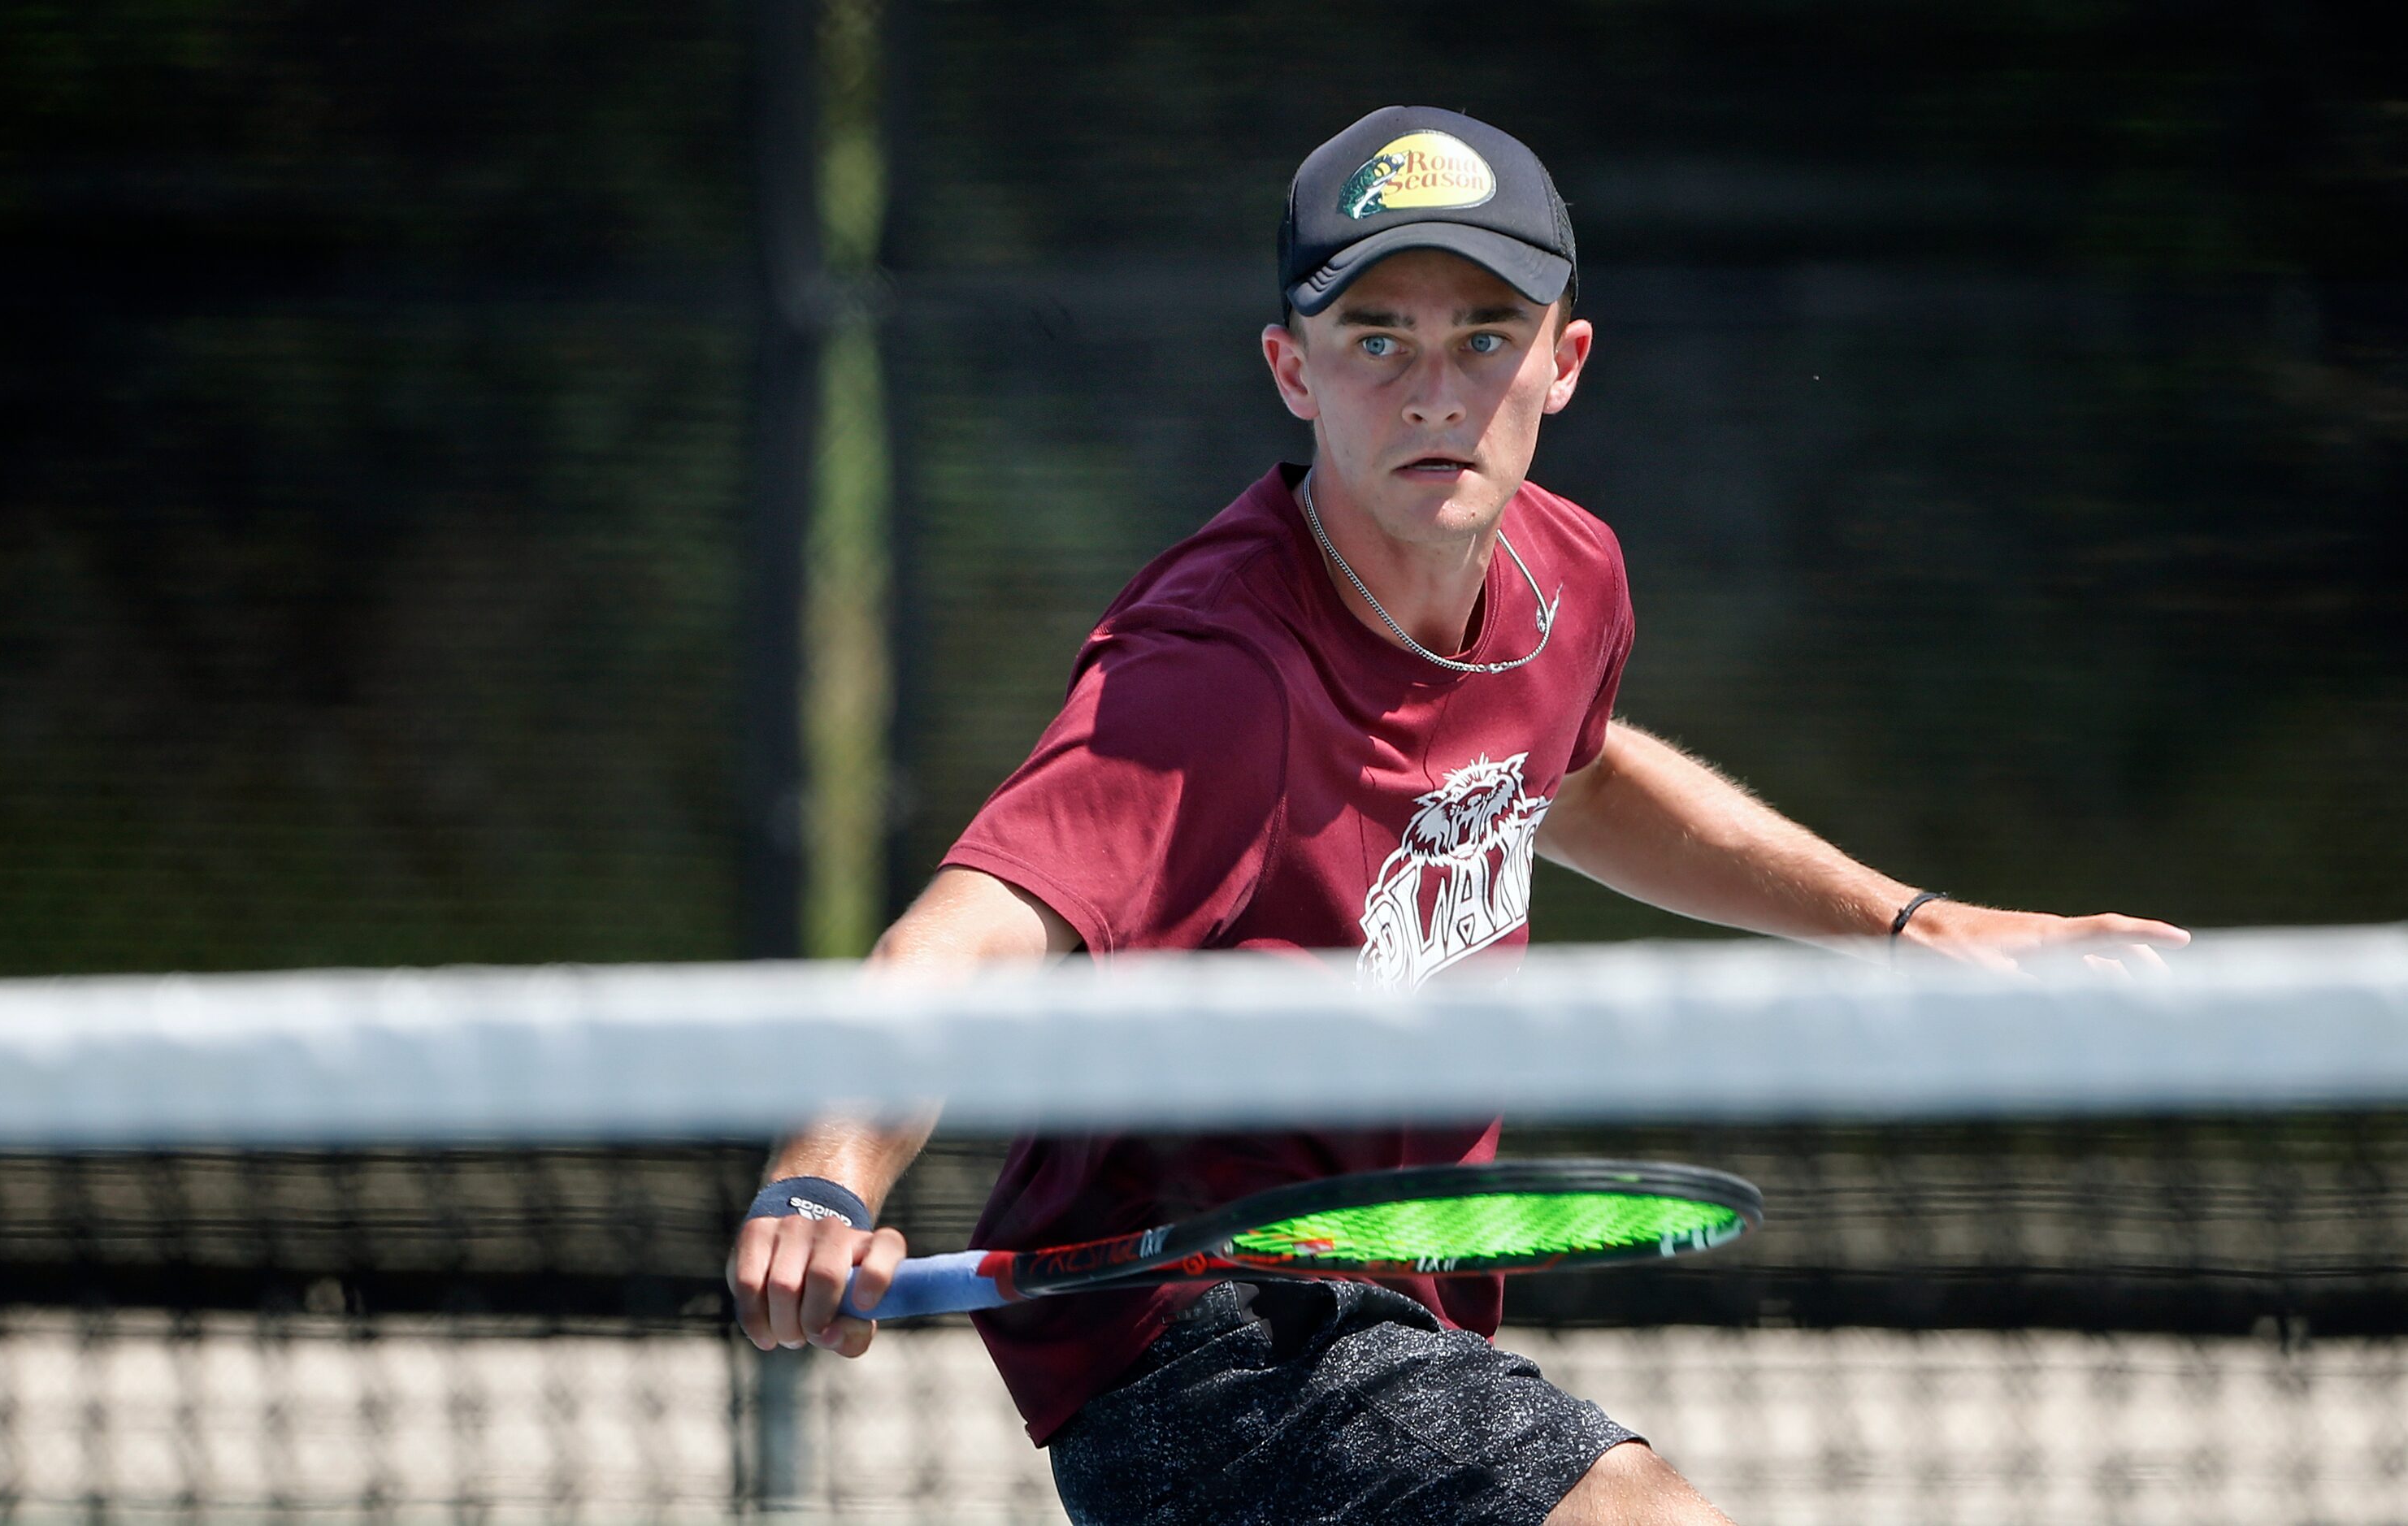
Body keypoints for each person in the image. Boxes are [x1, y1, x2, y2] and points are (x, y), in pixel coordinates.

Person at [728, 105, 2186, 1525]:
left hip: (1408, 1310)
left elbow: (1575, 772)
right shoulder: (1215, 672)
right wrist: (822, 1177)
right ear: (1290, 371)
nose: (1436, 390)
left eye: (1483, 337)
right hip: (1202, 1345)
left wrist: (1907, 923)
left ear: (1565, 361)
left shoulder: (1567, 575)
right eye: (1377, 341)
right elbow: (972, 930)